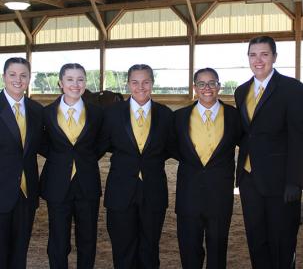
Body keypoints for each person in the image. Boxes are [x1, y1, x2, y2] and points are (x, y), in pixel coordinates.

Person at [234, 35, 303, 269]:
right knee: (256, 241)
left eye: (264, 54)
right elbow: (246, 133)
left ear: (274, 57)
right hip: (249, 179)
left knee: (282, 242)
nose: (258, 60)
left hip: (281, 181)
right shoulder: (241, 91)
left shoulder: (292, 89)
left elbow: (298, 137)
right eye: (253, 55)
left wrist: (295, 181)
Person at [98, 64, 174, 269]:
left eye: (145, 82)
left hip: (153, 190)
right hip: (120, 190)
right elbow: (102, 144)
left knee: (150, 248)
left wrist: (149, 162)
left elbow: (170, 148)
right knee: (123, 249)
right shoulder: (112, 113)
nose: (141, 87)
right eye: (135, 82)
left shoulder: (165, 115)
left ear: (152, 83)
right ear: (128, 84)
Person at [174, 68, 241, 269]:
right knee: (189, 248)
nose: (207, 88)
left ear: (219, 86)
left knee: (218, 249)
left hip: (220, 194)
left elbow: (247, 144)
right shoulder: (179, 117)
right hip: (188, 194)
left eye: (212, 83)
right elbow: (171, 148)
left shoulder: (234, 116)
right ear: (194, 88)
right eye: (201, 84)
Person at [40, 63, 103, 269]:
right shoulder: (46, 113)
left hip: (87, 183)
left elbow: (102, 143)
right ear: (60, 82)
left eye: (80, 79)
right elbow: (42, 143)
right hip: (57, 184)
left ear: (85, 82)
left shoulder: (97, 113)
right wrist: (62, 159)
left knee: (87, 240)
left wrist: (84, 158)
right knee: (58, 240)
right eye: (70, 79)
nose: (75, 84)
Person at [0, 57, 44, 269]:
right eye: (13, 75)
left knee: (20, 252)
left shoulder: (37, 111)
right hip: (1, 191)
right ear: (3, 77)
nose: (18, 80)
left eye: (23, 75)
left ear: (29, 78)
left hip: (27, 193)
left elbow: (46, 146)